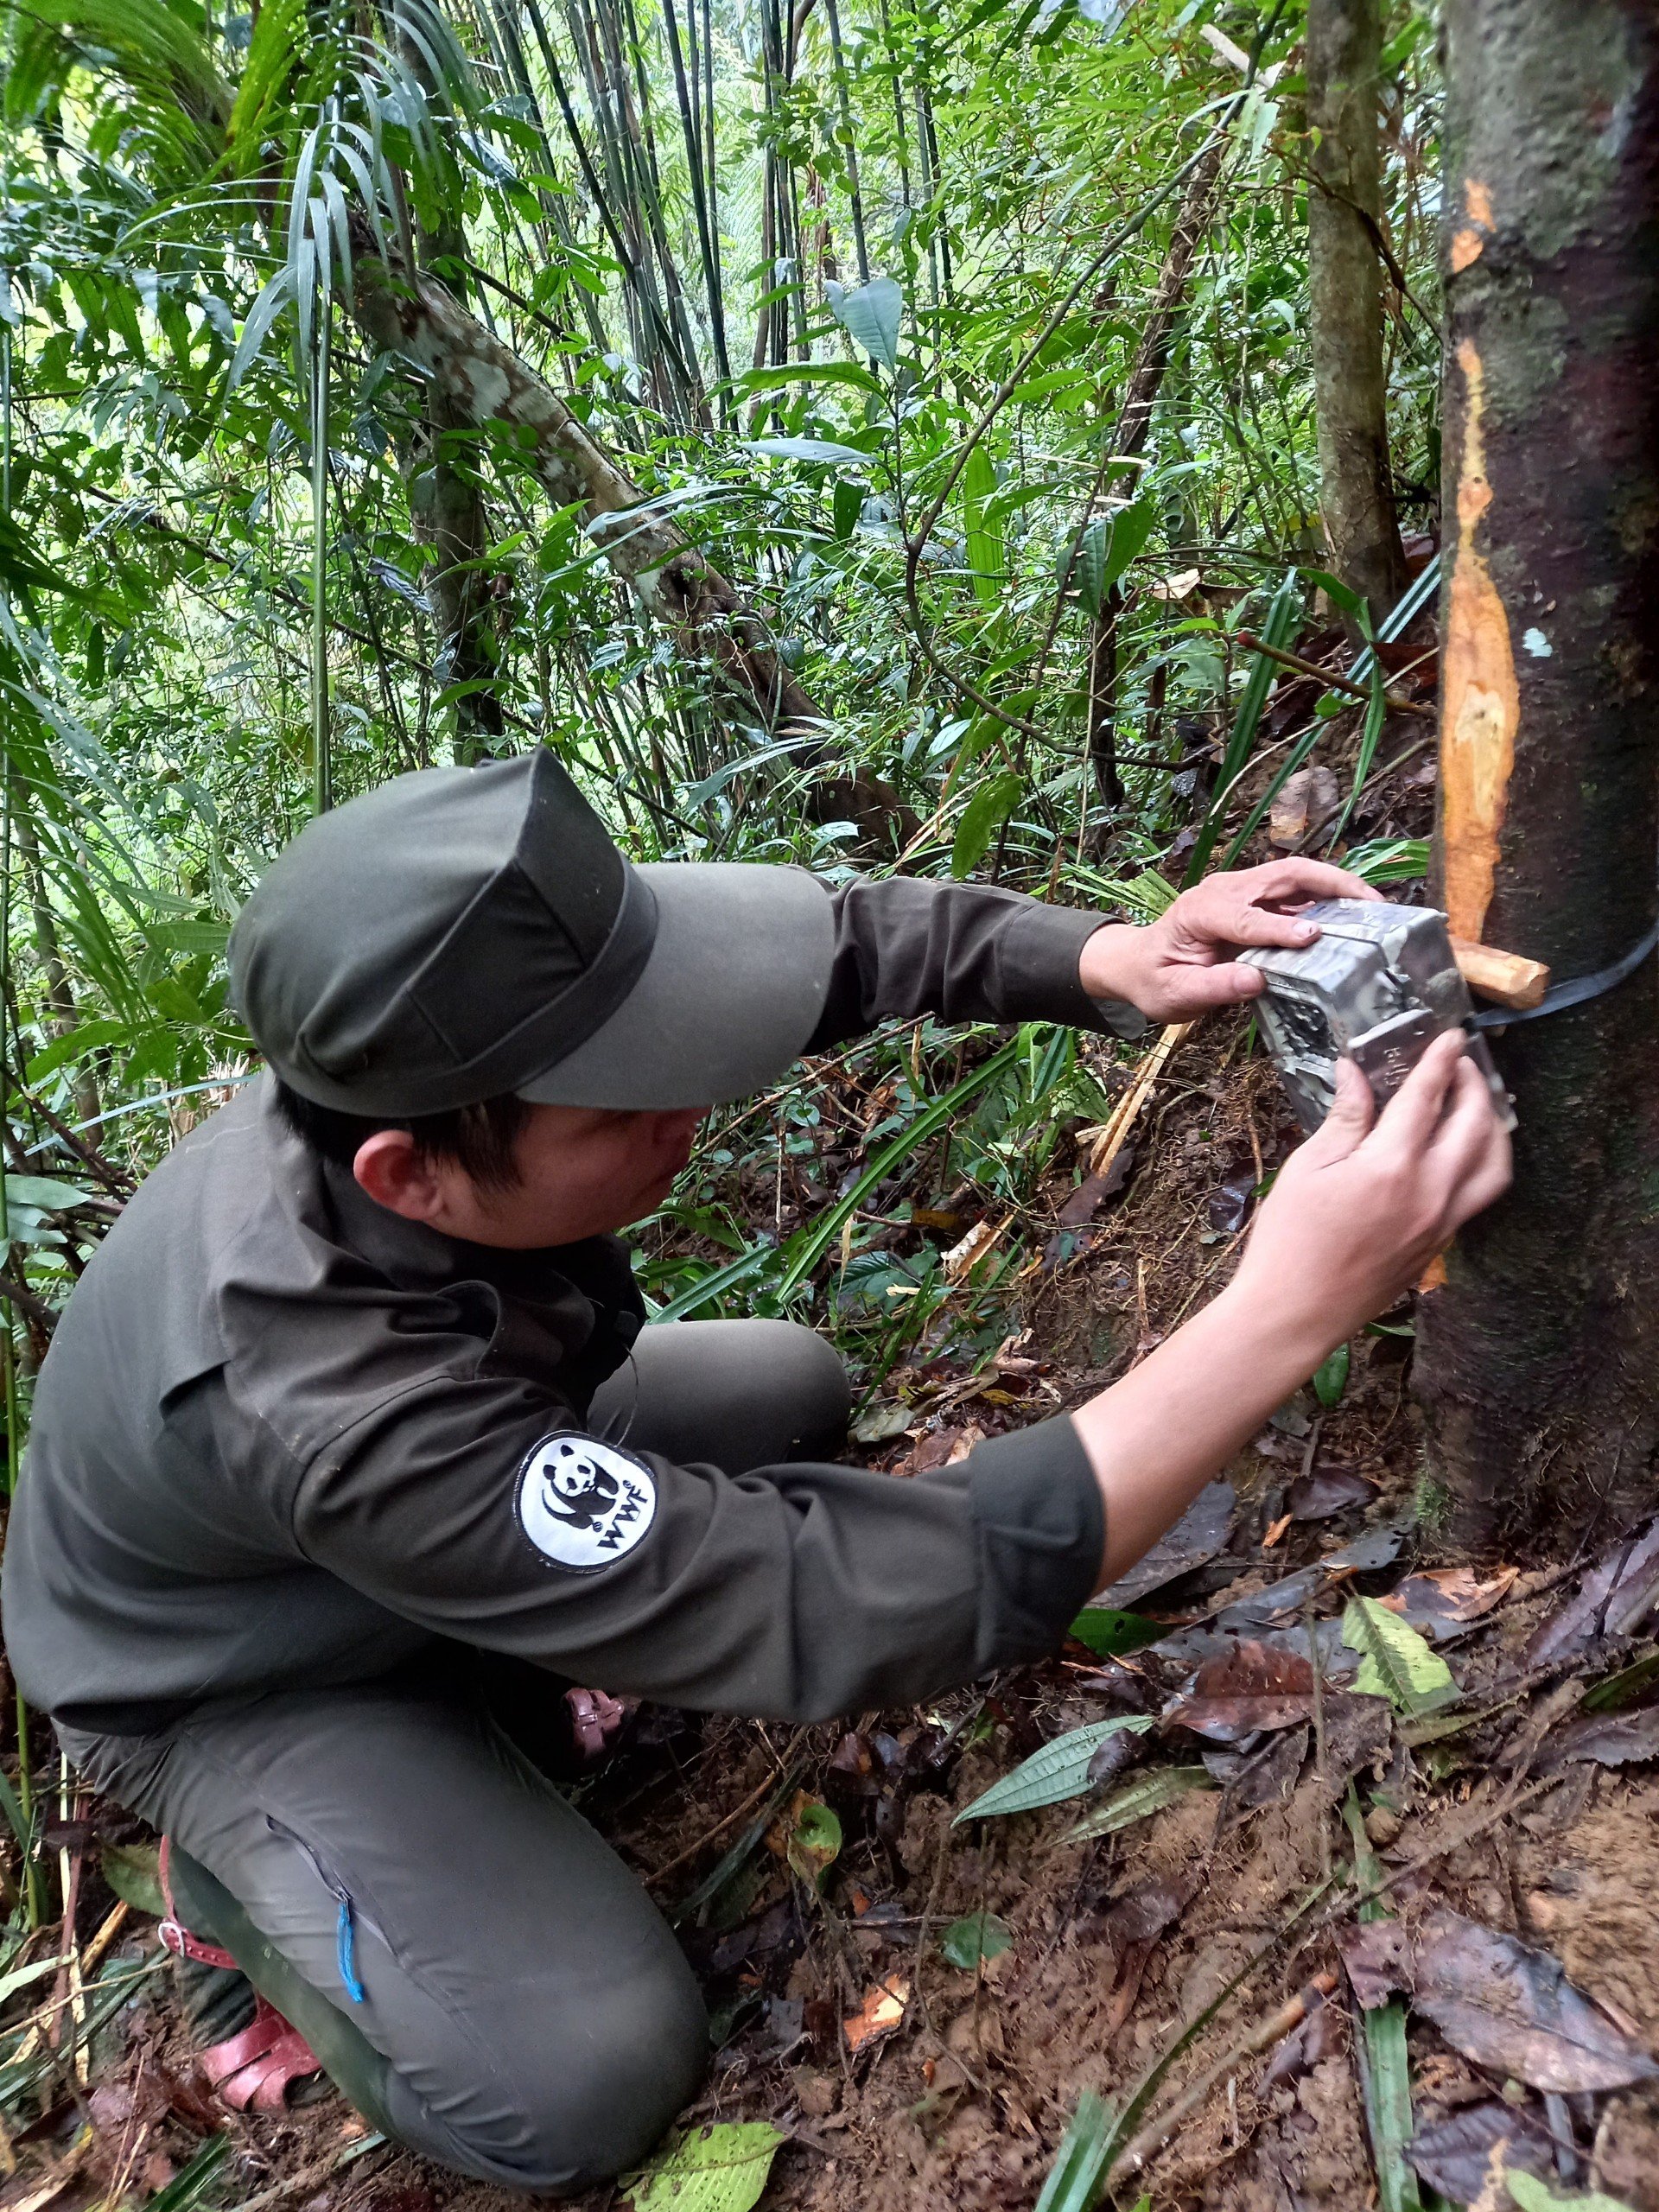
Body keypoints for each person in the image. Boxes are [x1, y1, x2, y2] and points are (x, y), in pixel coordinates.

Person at [2, 753, 1510, 2190]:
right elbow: (836, 1601)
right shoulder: (333, 1407)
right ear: (410, 1173)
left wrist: (1109, 956)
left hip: (474, 1428)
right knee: (582, 2079)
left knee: (797, 1386)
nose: (693, 1106)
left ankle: (498, 1646)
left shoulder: (460, 1012)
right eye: (627, 1103)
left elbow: (833, 944)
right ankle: (244, 1892)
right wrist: (1284, 1308)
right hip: (239, 1667)